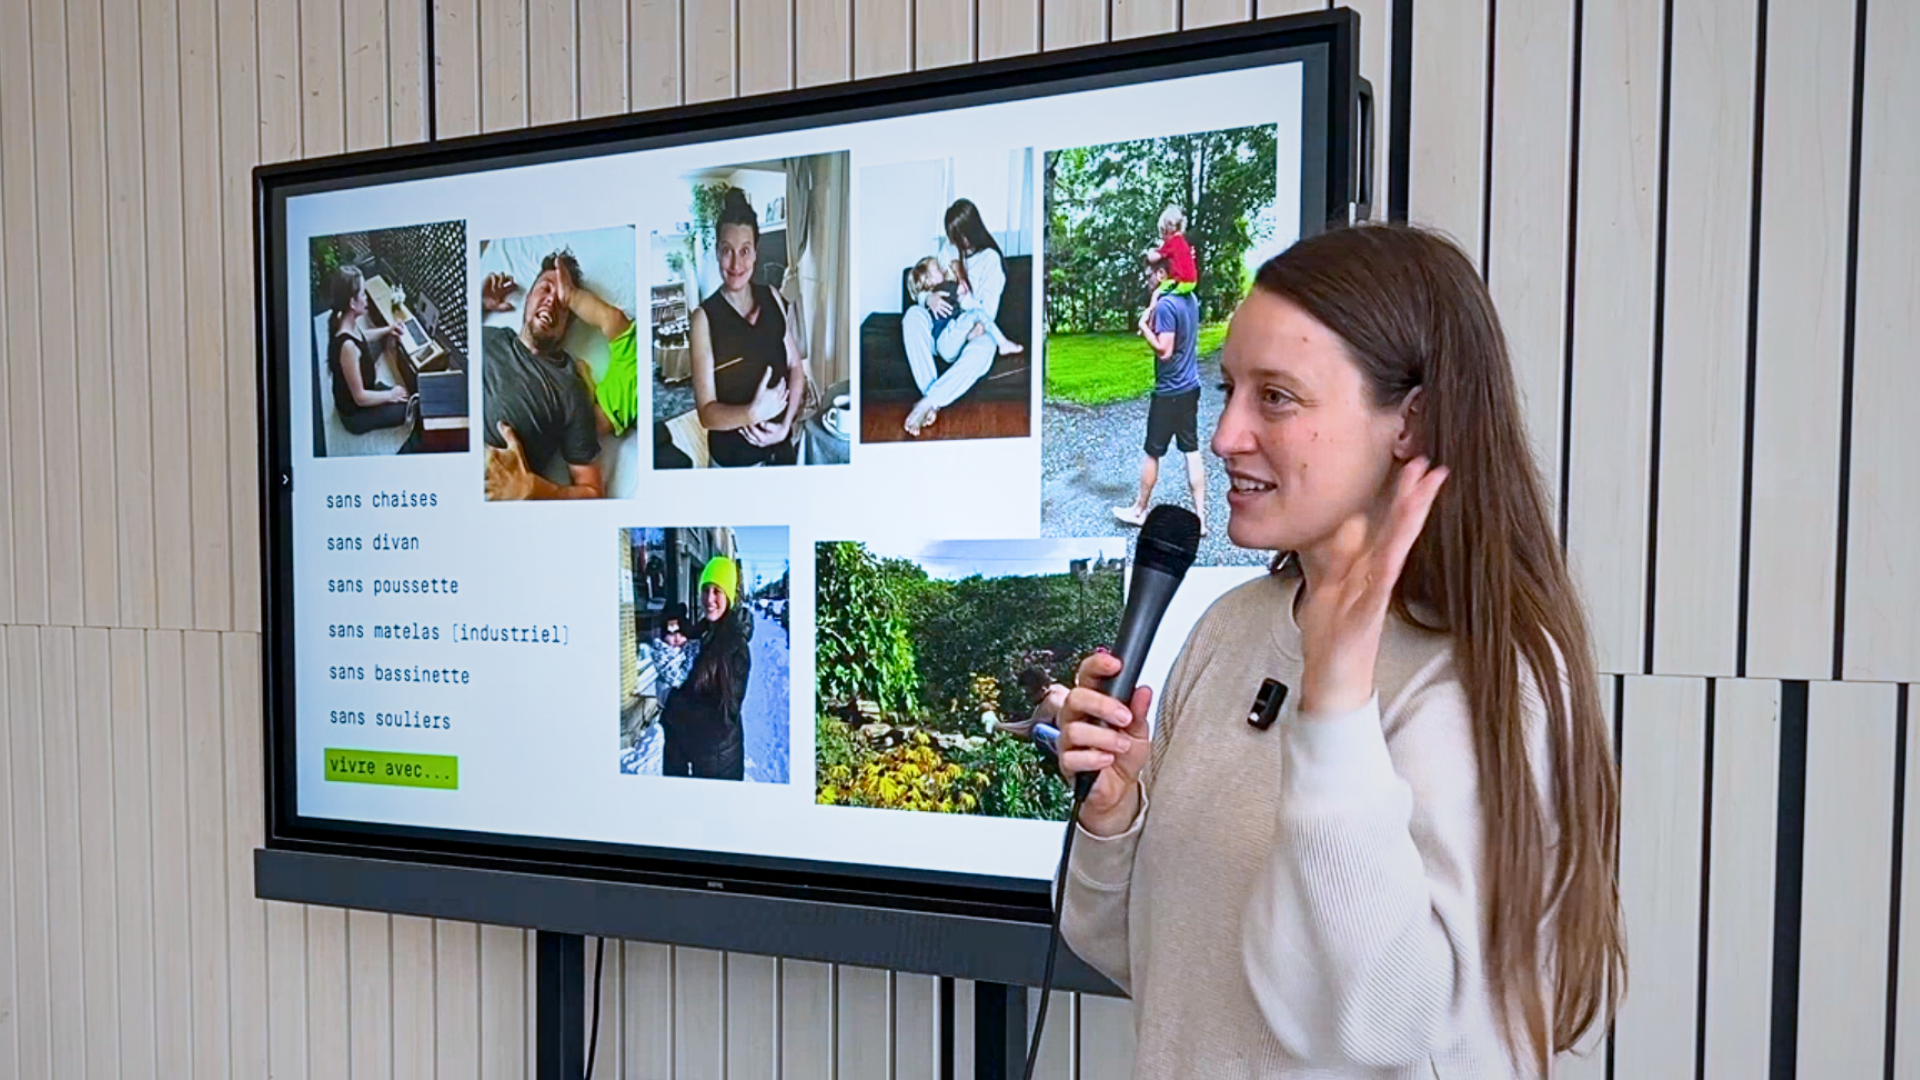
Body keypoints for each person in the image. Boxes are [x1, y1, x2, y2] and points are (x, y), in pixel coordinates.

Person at [1055, 224, 1624, 1078]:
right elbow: (1154, 961)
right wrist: (1114, 821)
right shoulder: (1231, 628)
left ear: (1410, 422)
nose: (1224, 436)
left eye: (1276, 398)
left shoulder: (1482, 677)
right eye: (1227, 390)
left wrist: (1338, 707)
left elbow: (1378, 1029)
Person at [687, 188, 808, 467]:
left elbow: (795, 367)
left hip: (782, 449)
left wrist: (785, 426)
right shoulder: (704, 318)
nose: (736, 263)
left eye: (744, 251)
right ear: (717, 252)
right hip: (734, 463)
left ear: (755, 253)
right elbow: (706, 413)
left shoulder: (773, 297)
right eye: (727, 251)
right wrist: (752, 413)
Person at [480, 251, 606, 499]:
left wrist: (532, 489)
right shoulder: (489, 336)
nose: (552, 301)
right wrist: (476, 304)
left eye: (563, 300)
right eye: (545, 289)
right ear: (528, 297)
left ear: (568, 323)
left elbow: (593, 492)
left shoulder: (569, 387)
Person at [1113, 257, 1207, 536]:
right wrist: (1155, 298)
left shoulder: (1167, 305)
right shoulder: (1189, 297)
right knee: (1191, 450)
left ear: (1163, 273)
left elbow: (1164, 350)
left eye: (1150, 275)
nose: (1147, 279)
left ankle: (1140, 510)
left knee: (1153, 452)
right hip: (1190, 386)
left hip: (1169, 392)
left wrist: (1143, 328)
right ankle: (1200, 520)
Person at [901, 198, 1011, 437]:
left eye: (959, 236)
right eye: (952, 237)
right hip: (940, 330)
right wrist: (926, 299)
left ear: (973, 230)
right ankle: (933, 402)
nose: (956, 243)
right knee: (912, 316)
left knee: (986, 348)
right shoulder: (948, 250)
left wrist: (964, 297)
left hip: (972, 331)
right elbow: (925, 282)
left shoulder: (991, 261)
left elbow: (985, 314)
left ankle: (927, 403)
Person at [660, 556, 754, 780]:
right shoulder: (704, 631)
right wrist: (673, 628)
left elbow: (722, 718)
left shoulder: (735, 647)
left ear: (729, 596)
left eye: (717, 591)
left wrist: (670, 702)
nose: (709, 598)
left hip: (718, 765)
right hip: (691, 754)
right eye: (705, 589)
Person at [325, 265, 418, 435]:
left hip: (360, 387)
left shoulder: (341, 318)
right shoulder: (348, 347)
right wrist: (390, 395)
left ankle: (383, 392)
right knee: (408, 409)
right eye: (362, 294)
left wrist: (388, 329)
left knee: (400, 394)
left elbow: (362, 336)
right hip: (354, 415)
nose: (366, 298)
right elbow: (360, 397)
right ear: (352, 303)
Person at [908, 255, 1024, 362]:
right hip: (947, 339)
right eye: (938, 268)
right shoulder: (943, 288)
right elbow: (963, 289)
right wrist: (958, 271)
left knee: (965, 320)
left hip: (945, 346)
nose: (942, 269)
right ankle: (1003, 343)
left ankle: (971, 336)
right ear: (929, 280)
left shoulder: (933, 295)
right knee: (978, 314)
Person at [647, 602, 701, 715]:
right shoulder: (662, 653)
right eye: (671, 634)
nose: (676, 638)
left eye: (681, 634)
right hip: (671, 702)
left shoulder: (692, 651)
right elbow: (674, 677)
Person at [1143, 204, 1198, 304]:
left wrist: (1150, 252)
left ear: (1166, 230)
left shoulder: (1172, 242)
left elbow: (1153, 258)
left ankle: (1152, 310)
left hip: (1180, 281)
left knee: (1156, 294)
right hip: (1192, 282)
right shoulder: (1183, 243)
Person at [993, 666, 1069, 739]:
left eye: (1029, 695)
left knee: (1039, 730)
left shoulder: (1050, 703)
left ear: (1042, 690)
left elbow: (1027, 730)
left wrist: (998, 726)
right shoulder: (1058, 687)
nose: (1027, 698)